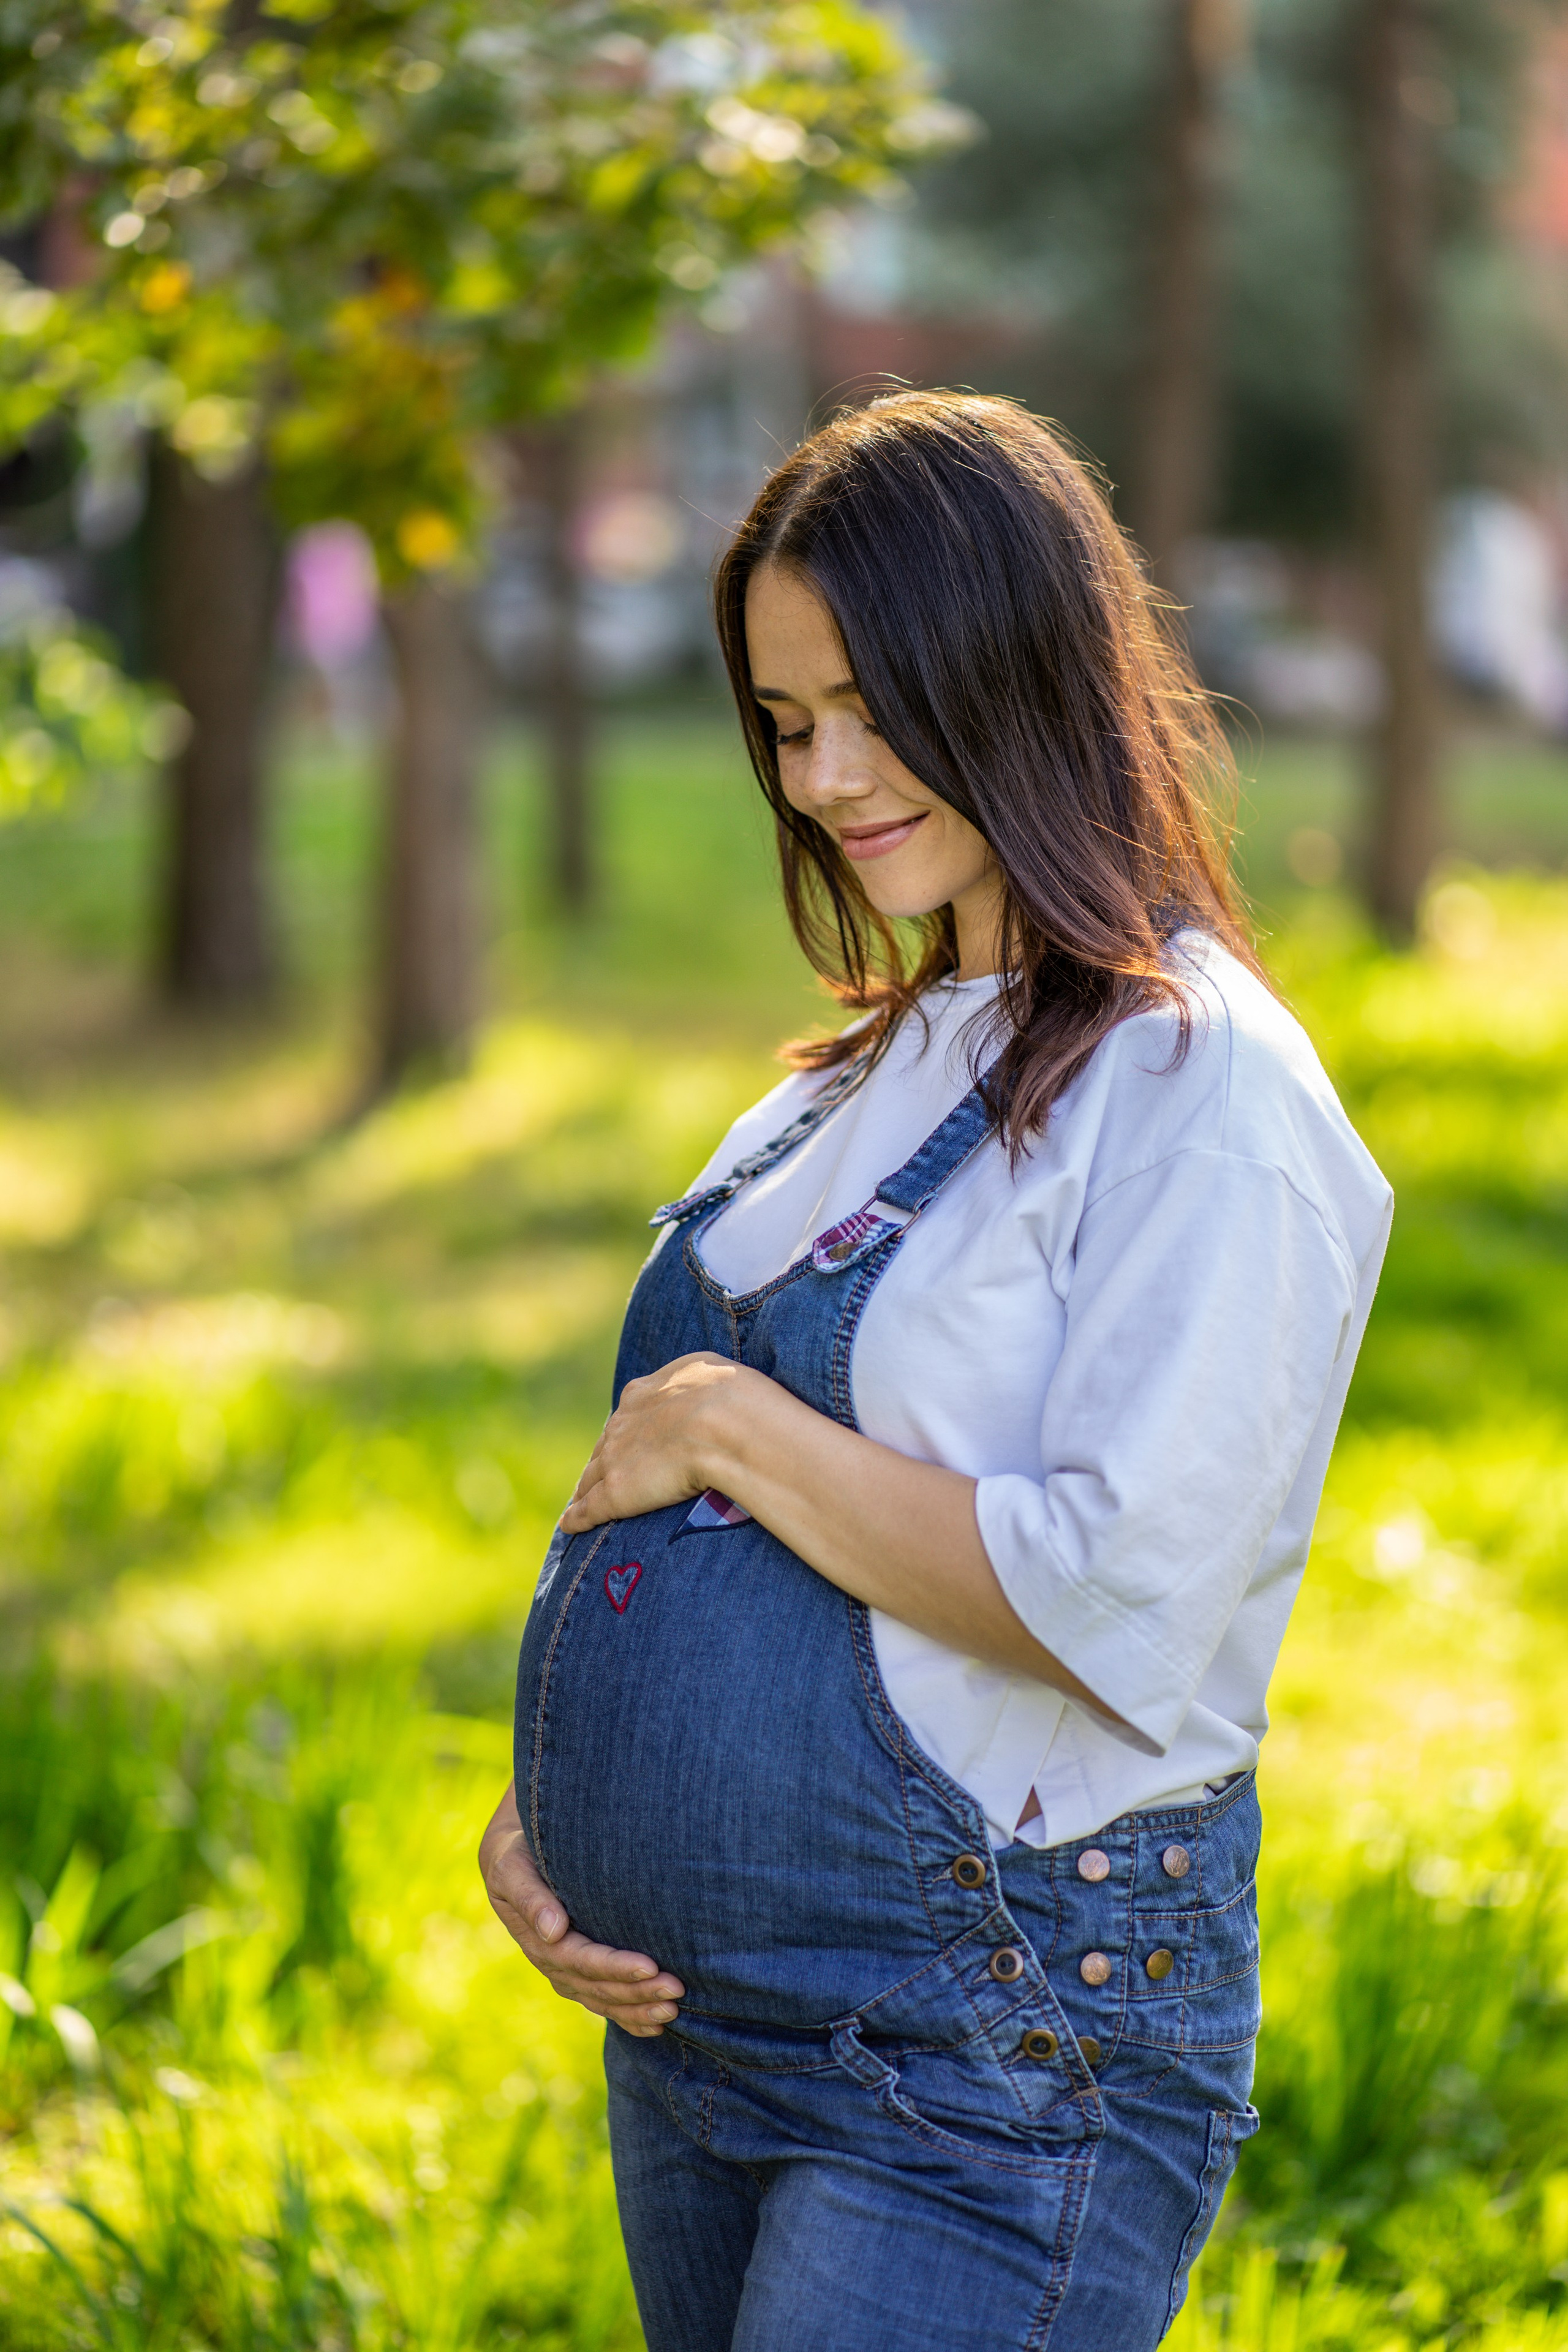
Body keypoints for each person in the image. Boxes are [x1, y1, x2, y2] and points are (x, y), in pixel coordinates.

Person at [479, 391, 1392, 2352]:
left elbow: (1116, 1594)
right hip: (703, 2029)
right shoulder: (859, 1073)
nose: (820, 775)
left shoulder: (1200, 1088)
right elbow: (655, 1507)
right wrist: (559, 1801)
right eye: (783, 724)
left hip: (992, 2044)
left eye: (866, 709)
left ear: (1013, 665)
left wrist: (737, 1424)